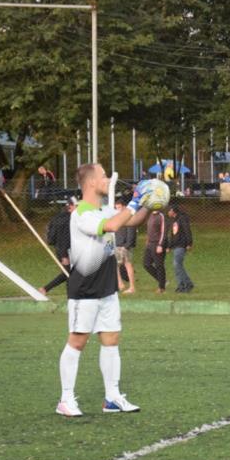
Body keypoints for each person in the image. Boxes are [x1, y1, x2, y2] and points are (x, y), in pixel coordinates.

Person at [55, 164, 153, 417]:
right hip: (85, 288)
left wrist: (149, 202)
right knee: (78, 342)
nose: (108, 179)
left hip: (107, 288)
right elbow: (110, 226)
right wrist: (134, 201)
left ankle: (112, 398)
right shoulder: (82, 214)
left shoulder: (104, 209)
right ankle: (65, 399)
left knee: (111, 341)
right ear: (90, 183)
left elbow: (132, 220)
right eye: (103, 176)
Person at [39, 198, 77, 295]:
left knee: (69, 273)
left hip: (58, 249)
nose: (77, 208)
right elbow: (65, 237)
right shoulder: (69, 219)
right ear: (71, 206)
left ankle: (71, 294)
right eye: (76, 206)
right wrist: (64, 255)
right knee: (68, 273)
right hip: (66, 251)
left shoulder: (56, 218)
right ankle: (45, 289)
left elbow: (50, 236)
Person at [167, 203, 194, 293]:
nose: (168, 212)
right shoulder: (174, 220)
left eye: (169, 210)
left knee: (177, 265)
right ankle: (181, 285)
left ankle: (187, 283)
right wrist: (169, 246)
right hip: (175, 246)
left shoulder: (182, 219)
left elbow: (187, 230)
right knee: (177, 266)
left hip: (181, 245)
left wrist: (189, 243)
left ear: (173, 211)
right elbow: (173, 235)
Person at [114, 200, 137, 294]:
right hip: (117, 244)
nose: (117, 209)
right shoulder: (117, 218)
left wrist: (127, 245)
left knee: (128, 264)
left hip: (125, 246)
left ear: (124, 207)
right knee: (115, 265)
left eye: (119, 207)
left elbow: (131, 232)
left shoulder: (129, 217)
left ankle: (132, 287)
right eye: (116, 207)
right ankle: (120, 284)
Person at [143, 209, 168, 294]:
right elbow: (149, 229)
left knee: (159, 265)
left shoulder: (161, 216)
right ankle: (163, 280)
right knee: (146, 264)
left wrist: (160, 245)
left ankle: (162, 287)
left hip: (157, 244)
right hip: (150, 244)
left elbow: (164, 232)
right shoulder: (150, 215)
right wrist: (147, 240)